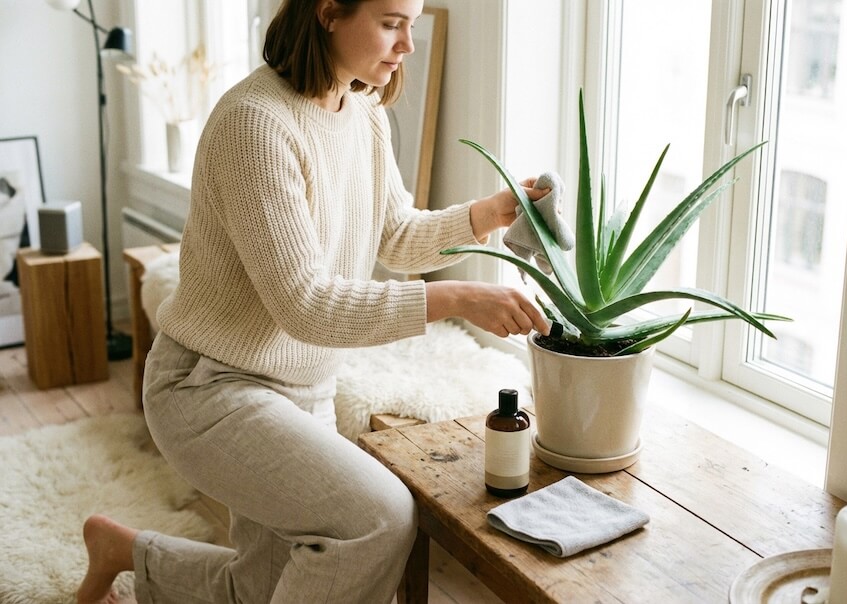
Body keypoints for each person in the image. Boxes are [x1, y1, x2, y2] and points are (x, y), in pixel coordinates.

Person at [76, 0, 550, 602]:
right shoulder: (254, 124)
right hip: (209, 388)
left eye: (412, 23)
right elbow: (304, 305)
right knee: (377, 517)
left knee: (263, 587)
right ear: (328, 12)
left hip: (304, 389)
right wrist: (454, 299)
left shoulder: (362, 112)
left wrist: (489, 213)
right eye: (390, 23)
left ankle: (128, 553)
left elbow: (395, 236)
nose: (407, 44)